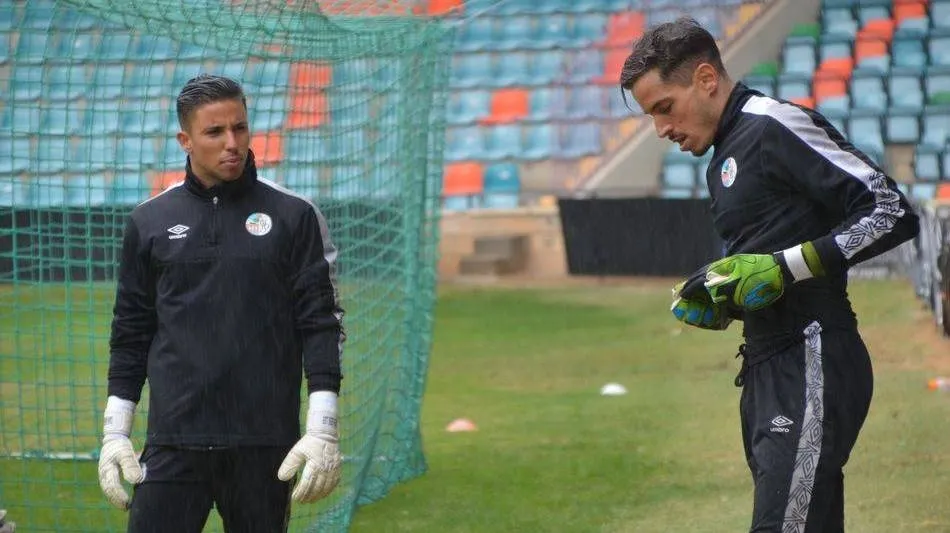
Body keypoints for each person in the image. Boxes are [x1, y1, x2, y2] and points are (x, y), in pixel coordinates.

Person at [620, 17, 920, 532]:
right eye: (651, 116)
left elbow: (891, 210)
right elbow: (764, 259)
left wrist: (784, 268)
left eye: (664, 109)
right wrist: (724, 296)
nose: (661, 130)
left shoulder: (772, 124)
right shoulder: (722, 158)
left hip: (813, 354)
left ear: (707, 79)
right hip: (765, 368)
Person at [97, 74, 346, 532]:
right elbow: (131, 332)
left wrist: (323, 428)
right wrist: (116, 432)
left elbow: (321, 324)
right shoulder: (149, 222)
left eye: (240, 128)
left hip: (265, 446)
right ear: (185, 140)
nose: (232, 143)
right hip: (173, 441)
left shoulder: (295, 216)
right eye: (215, 132)